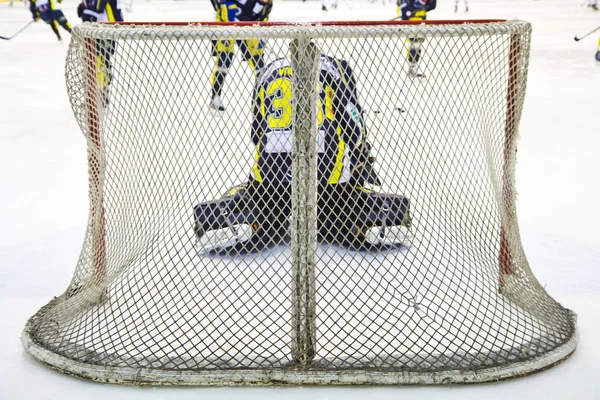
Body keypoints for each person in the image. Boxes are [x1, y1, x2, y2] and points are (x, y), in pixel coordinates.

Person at [194, 43, 412, 253]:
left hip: (272, 180)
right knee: (341, 206)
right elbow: (353, 124)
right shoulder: (336, 67)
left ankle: (243, 218)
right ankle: (362, 219)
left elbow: (255, 133)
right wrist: (361, 158)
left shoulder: (267, 70)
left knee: (257, 202)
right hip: (326, 179)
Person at [209, 0, 274, 111]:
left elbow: (264, 19)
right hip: (226, 26)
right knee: (224, 60)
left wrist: (261, 36)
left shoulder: (267, 4)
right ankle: (215, 96)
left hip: (249, 30)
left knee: (259, 65)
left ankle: (259, 99)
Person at [77, 0, 124, 106]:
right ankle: (94, 94)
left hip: (105, 30)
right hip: (96, 30)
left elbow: (98, 9)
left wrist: (85, 13)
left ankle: (102, 92)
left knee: (101, 61)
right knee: (91, 61)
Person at [396, 0, 437, 77]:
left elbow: (431, 6)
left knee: (418, 46)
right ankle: (412, 68)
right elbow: (403, 7)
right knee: (413, 45)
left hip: (421, 23)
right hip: (411, 23)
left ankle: (413, 67)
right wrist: (408, 13)